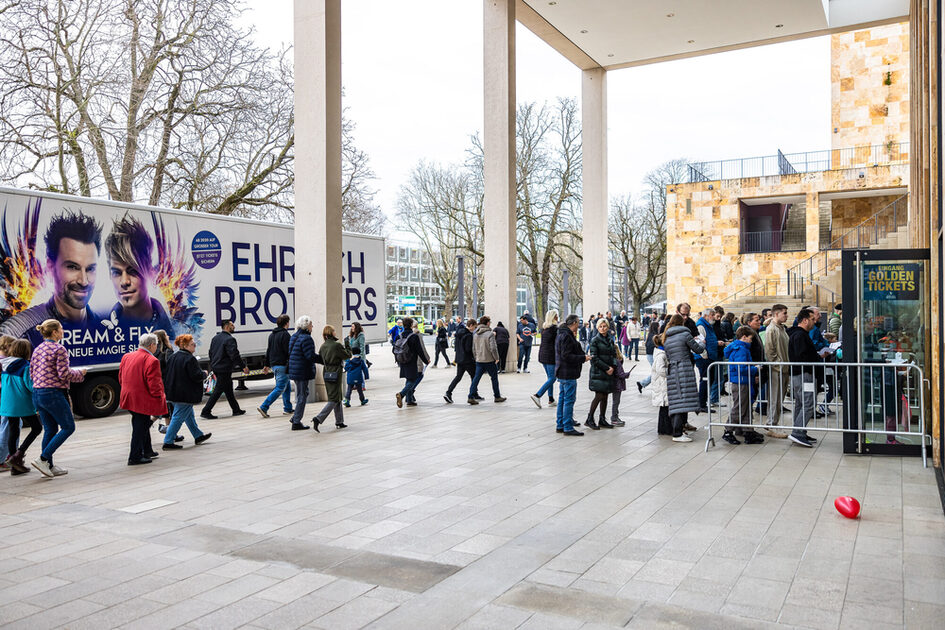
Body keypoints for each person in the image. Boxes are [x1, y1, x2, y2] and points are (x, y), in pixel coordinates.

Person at [0, 212, 104, 346]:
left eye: (90, 269)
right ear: (50, 266)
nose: (83, 281)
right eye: (72, 267)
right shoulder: (17, 332)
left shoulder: (103, 324)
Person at [30, 319, 86, 477]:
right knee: (68, 427)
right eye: (61, 329)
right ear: (54, 332)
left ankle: (48, 466)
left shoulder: (38, 349)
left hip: (38, 392)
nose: (63, 331)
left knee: (50, 429)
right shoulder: (59, 349)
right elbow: (64, 374)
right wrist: (80, 373)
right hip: (53, 393)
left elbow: (32, 374)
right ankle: (43, 459)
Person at [104, 215, 175, 335]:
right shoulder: (100, 328)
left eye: (133, 271)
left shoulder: (176, 329)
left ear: (150, 272)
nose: (124, 281)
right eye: (117, 272)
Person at [119, 333, 167, 465]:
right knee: (140, 426)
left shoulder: (127, 356)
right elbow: (154, 383)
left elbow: (120, 377)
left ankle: (147, 450)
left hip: (128, 396)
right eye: (156, 345)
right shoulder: (152, 360)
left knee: (141, 422)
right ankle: (135, 456)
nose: (156, 347)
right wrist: (159, 396)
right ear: (151, 345)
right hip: (142, 398)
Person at [162, 334, 211, 449]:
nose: (195, 346)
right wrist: (204, 373)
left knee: (189, 415)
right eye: (192, 344)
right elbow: (196, 375)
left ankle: (198, 435)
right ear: (185, 346)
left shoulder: (173, 357)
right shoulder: (189, 359)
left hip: (173, 392)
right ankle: (168, 441)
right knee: (178, 417)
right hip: (184, 394)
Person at [1, 339, 42, 475]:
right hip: (22, 402)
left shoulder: (4, 364)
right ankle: (18, 455)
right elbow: (30, 386)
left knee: (13, 431)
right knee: (37, 428)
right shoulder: (25, 366)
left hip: (7, 403)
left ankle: (15, 466)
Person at [663, 314, 705, 443]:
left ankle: (679, 430)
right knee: (683, 401)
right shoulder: (685, 334)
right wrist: (701, 342)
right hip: (684, 369)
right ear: (682, 323)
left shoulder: (667, 337)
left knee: (677, 401)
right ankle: (677, 433)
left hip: (673, 371)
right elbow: (698, 350)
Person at [721, 327, 764, 445]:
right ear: (744, 337)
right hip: (740, 381)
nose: (751, 341)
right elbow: (741, 367)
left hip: (743, 381)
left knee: (745, 407)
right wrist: (755, 368)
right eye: (750, 339)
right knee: (739, 407)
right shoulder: (741, 350)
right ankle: (728, 431)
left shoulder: (741, 348)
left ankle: (748, 431)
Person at [788, 308, 822, 448]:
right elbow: (803, 356)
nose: (815, 322)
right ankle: (797, 432)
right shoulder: (800, 335)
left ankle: (800, 430)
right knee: (808, 403)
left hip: (799, 374)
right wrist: (818, 358)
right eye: (813, 319)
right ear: (805, 320)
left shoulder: (798, 334)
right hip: (804, 374)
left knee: (801, 403)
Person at [200, 320, 248, 419]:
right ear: (226, 326)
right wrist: (243, 366)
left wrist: (214, 363)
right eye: (231, 325)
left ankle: (236, 409)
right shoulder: (229, 339)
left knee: (228, 389)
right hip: (224, 368)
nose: (233, 326)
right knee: (218, 390)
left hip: (217, 367)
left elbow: (211, 353)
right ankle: (206, 411)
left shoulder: (215, 338)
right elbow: (234, 354)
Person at [312, 325, 351, 431]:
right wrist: (347, 344)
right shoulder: (336, 345)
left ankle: (339, 421)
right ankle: (318, 418)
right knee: (334, 399)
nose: (335, 332)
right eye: (334, 330)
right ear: (331, 333)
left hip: (327, 372)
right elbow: (348, 355)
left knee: (337, 396)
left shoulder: (323, 346)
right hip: (336, 371)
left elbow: (320, 358)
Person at [554, 314, 588, 435]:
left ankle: (560, 424)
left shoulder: (561, 334)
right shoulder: (567, 336)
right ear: (573, 323)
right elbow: (567, 355)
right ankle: (567, 426)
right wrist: (583, 358)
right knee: (568, 400)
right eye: (578, 322)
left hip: (562, 372)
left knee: (562, 399)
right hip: (568, 372)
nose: (579, 325)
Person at [762, 304, 791, 439]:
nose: (786, 315)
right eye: (784, 313)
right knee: (775, 397)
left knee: (780, 398)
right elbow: (770, 351)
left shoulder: (782, 329)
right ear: (776, 314)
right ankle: (771, 424)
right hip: (777, 369)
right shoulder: (771, 329)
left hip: (784, 368)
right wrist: (778, 365)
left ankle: (773, 423)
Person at [258, 314, 293, 418]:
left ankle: (288, 408)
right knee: (280, 387)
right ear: (287, 323)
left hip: (274, 365)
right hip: (282, 364)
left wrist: (266, 365)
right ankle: (264, 406)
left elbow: (269, 350)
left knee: (287, 387)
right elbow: (288, 351)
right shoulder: (285, 335)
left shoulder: (271, 335)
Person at [585, 318, 617, 429]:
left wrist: (612, 366)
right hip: (598, 371)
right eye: (600, 326)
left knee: (605, 396)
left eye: (605, 326)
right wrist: (606, 367)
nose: (603, 328)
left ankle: (602, 418)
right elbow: (594, 358)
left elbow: (614, 354)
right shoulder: (595, 340)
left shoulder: (609, 339)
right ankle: (589, 418)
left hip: (608, 372)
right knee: (599, 395)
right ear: (597, 328)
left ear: (608, 327)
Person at [467, 316, 506, 405]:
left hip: (479, 360)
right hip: (489, 360)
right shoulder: (490, 334)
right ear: (487, 323)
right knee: (494, 378)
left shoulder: (475, 334)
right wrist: (496, 358)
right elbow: (493, 348)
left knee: (476, 379)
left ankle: (470, 396)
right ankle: (497, 396)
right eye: (489, 322)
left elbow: (473, 348)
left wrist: (476, 357)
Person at [286, 316, 316, 430]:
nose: (312, 327)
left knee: (303, 393)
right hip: (302, 370)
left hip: (295, 369)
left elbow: (291, 352)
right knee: (302, 396)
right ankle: (296, 421)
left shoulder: (294, 336)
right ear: (306, 326)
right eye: (311, 325)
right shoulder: (307, 338)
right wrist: (323, 359)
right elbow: (310, 356)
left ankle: (295, 417)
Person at [394, 317, 429, 407]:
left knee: (408, 379)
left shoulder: (399, 336)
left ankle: (409, 400)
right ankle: (401, 394)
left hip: (402, 360)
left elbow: (394, 349)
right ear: (410, 325)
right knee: (412, 380)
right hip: (411, 361)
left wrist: (397, 359)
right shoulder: (414, 336)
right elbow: (419, 351)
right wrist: (426, 361)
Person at [530, 310, 559, 407]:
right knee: (552, 378)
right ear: (554, 317)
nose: (558, 317)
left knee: (549, 378)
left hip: (543, 355)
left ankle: (551, 399)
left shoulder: (544, 329)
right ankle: (538, 395)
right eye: (557, 316)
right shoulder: (555, 329)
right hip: (550, 356)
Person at [695, 308, 722, 411]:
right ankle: (701, 404)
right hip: (704, 358)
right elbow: (699, 342)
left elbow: (709, 340)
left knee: (708, 380)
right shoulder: (701, 326)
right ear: (706, 315)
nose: (713, 317)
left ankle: (703, 402)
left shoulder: (708, 326)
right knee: (705, 380)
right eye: (712, 314)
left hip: (710, 356)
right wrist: (704, 355)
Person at [445, 319, 477, 404]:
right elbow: (468, 349)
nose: (474, 328)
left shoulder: (459, 333)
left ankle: (448, 392)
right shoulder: (469, 335)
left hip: (459, 358)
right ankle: (473, 395)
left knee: (458, 377)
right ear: (471, 326)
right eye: (474, 327)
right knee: (474, 377)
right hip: (467, 360)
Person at [650, 334, 672, 435]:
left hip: (662, 384)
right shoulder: (661, 355)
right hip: (662, 384)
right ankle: (665, 428)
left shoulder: (661, 353)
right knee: (664, 407)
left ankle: (663, 428)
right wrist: (671, 370)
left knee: (665, 408)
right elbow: (661, 370)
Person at [636, 320, 661, 393]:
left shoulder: (651, 334)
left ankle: (642, 383)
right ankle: (642, 383)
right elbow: (651, 346)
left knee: (656, 371)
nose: (659, 327)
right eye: (658, 326)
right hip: (651, 355)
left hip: (650, 355)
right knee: (656, 371)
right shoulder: (654, 336)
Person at [609, 349, 631, 427]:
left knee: (616, 401)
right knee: (616, 401)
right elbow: (620, 374)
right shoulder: (617, 362)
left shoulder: (611, 360)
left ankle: (615, 416)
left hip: (613, 382)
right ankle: (614, 417)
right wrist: (627, 374)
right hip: (617, 383)